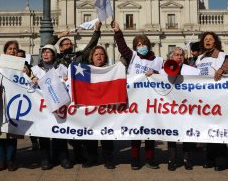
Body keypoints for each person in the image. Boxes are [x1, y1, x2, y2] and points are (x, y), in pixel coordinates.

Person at [111, 21, 163, 170]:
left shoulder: (158, 61)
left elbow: (165, 76)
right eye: (138, 45)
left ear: (149, 45)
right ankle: (134, 158)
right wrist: (118, 32)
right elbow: (122, 48)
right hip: (134, 99)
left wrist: (156, 73)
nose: (141, 46)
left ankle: (150, 157)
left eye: (144, 43)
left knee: (150, 130)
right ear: (135, 48)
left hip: (152, 100)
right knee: (136, 130)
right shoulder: (133, 56)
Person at [48, 22, 102, 164]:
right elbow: (46, 46)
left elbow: (91, 45)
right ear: (60, 48)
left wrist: (96, 30)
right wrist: (59, 36)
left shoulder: (79, 57)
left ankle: (79, 154)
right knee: (61, 126)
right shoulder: (56, 59)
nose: (69, 46)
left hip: (77, 97)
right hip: (60, 97)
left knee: (76, 125)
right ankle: (63, 156)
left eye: (70, 44)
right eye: (65, 44)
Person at [31, 44, 73, 170]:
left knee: (59, 132)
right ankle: (45, 158)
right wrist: (32, 81)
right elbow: (28, 87)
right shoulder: (34, 70)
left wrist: (67, 80)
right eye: (43, 52)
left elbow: (69, 84)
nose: (45, 54)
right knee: (43, 133)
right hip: (42, 107)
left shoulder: (62, 68)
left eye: (49, 52)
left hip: (58, 105)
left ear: (54, 55)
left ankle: (63, 156)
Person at [195, 31, 228, 171]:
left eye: (210, 39)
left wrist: (222, 70)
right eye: (205, 39)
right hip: (203, 98)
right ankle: (210, 159)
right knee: (207, 129)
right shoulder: (199, 59)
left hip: (218, 98)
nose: (208, 41)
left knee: (218, 129)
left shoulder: (223, 56)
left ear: (215, 42)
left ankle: (222, 160)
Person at [160, 47, 197, 171]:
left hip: (187, 107)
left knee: (188, 133)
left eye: (181, 55)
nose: (179, 57)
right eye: (176, 55)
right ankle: (172, 159)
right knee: (172, 134)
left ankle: (187, 159)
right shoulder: (162, 71)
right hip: (170, 108)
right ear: (171, 57)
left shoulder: (192, 71)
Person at [82, 45, 115, 169]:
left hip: (106, 109)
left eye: (101, 54)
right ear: (92, 57)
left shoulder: (111, 70)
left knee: (106, 134)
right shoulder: (86, 70)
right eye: (96, 54)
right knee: (91, 134)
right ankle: (91, 158)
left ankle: (108, 158)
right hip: (90, 108)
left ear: (105, 56)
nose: (99, 56)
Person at [0, 41, 22, 172]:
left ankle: (11, 160)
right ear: (5, 52)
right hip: (1, 103)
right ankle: (0, 160)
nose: (12, 51)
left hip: (15, 103)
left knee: (12, 134)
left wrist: (26, 73)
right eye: (10, 49)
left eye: (15, 49)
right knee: (0, 133)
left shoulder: (22, 66)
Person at [16, 49, 39, 151]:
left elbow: (33, 78)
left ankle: (34, 142)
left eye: (22, 57)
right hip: (16, 97)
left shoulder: (29, 67)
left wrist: (29, 74)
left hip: (28, 98)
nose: (20, 59)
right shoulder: (10, 66)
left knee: (32, 121)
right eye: (18, 57)